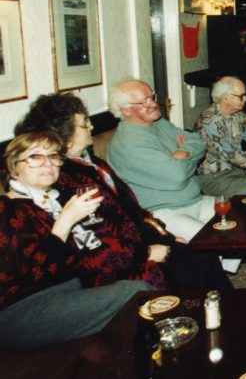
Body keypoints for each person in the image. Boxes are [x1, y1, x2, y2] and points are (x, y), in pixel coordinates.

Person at [16, 93, 231, 291]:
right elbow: (96, 236)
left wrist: (167, 236)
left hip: (141, 241)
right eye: (85, 124)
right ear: (67, 134)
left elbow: (133, 210)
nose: (91, 127)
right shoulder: (65, 179)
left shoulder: (93, 162)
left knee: (201, 254)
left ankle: (229, 312)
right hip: (121, 260)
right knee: (192, 265)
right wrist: (147, 252)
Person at [0, 132, 153, 351]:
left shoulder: (51, 201)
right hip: (20, 310)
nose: (48, 163)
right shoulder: (7, 209)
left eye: (53, 156)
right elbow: (39, 274)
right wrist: (66, 220)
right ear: (15, 166)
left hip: (66, 291)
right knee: (137, 293)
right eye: (35, 157)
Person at [106, 79, 213, 242]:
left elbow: (198, 141)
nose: (153, 104)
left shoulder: (157, 123)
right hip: (166, 214)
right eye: (144, 102)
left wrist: (184, 152)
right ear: (125, 111)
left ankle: (223, 268)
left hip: (195, 200)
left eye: (152, 97)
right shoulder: (129, 144)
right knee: (214, 241)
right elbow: (177, 176)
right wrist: (188, 159)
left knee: (240, 220)